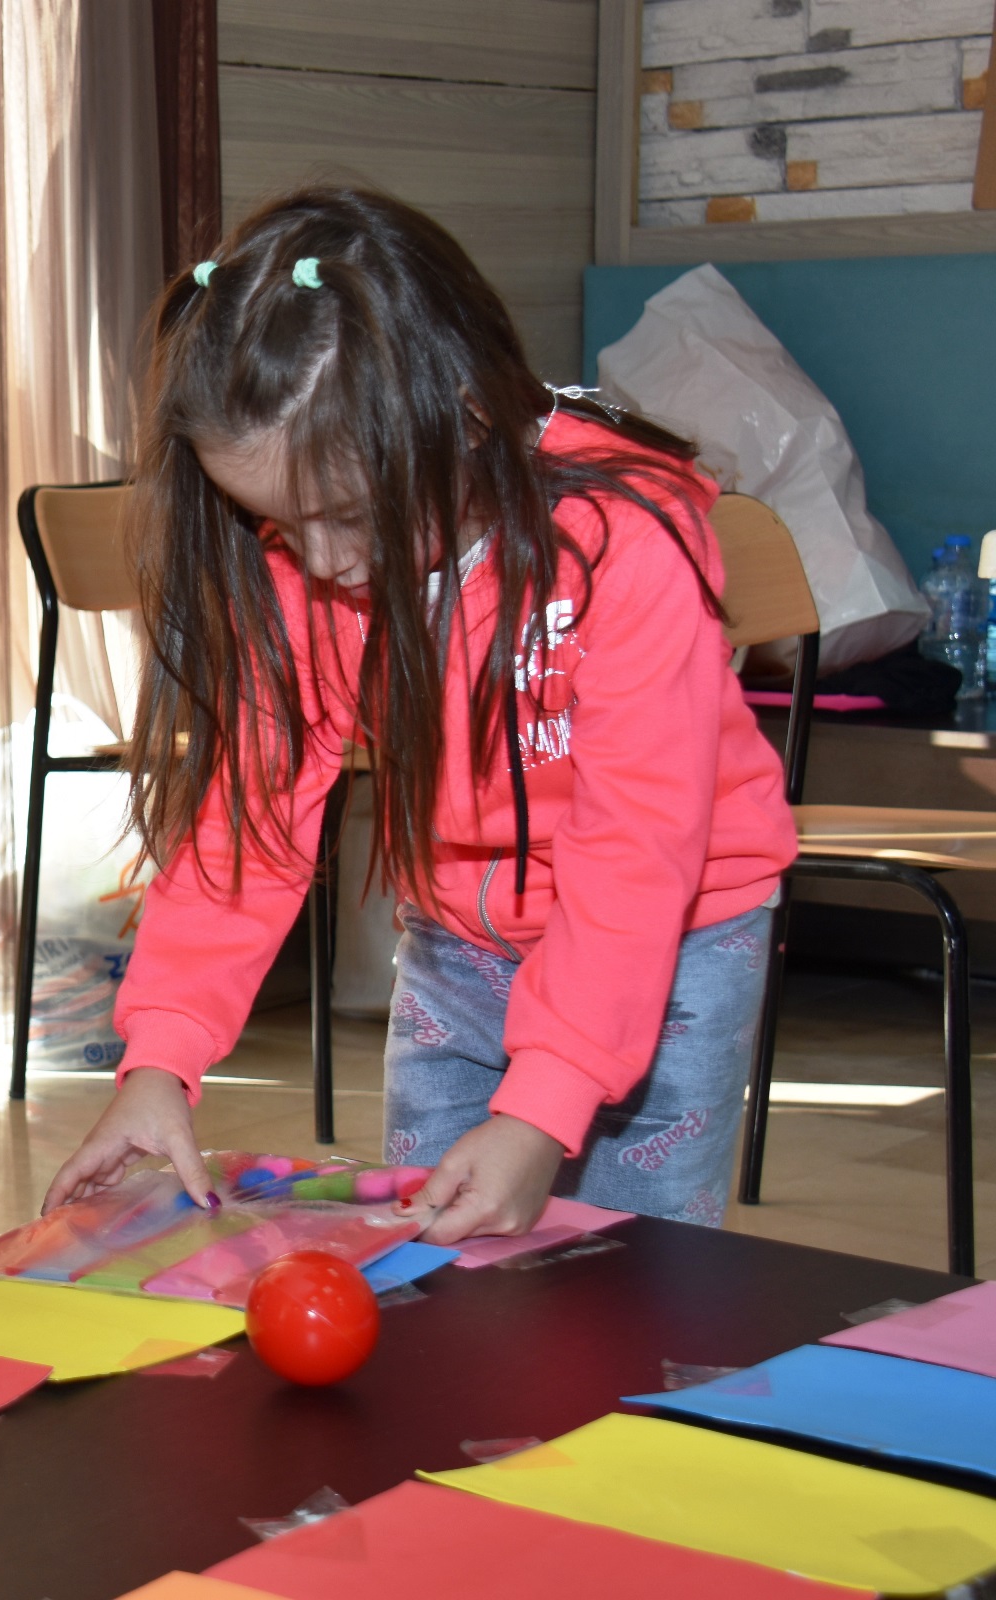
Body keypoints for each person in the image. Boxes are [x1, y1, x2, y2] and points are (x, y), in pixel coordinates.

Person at [44, 189, 797, 1244]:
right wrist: (160, 1057)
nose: (319, 561)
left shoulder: (628, 539)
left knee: (639, 1278)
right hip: (460, 937)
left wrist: (546, 1101)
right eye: (275, 523)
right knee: (436, 1271)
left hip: (672, 950)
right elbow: (244, 826)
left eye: (347, 517)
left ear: (467, 416)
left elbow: (636, 847)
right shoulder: (297, 573)